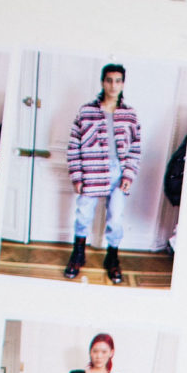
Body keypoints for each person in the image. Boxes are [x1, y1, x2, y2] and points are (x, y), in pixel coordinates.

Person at [63, 63, 140, 284]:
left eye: (118, 81)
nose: (113, 85)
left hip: (118, 173)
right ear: (102, 82)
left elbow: (135, 148)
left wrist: (128, 175)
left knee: (116, 217)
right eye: (109, 80)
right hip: (92, 169)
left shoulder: (130, 115)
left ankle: (112, 257)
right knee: (83, 214)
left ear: (123, 84)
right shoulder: (86, 111)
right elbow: (74, 145)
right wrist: (77, 176)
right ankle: (78, 254)